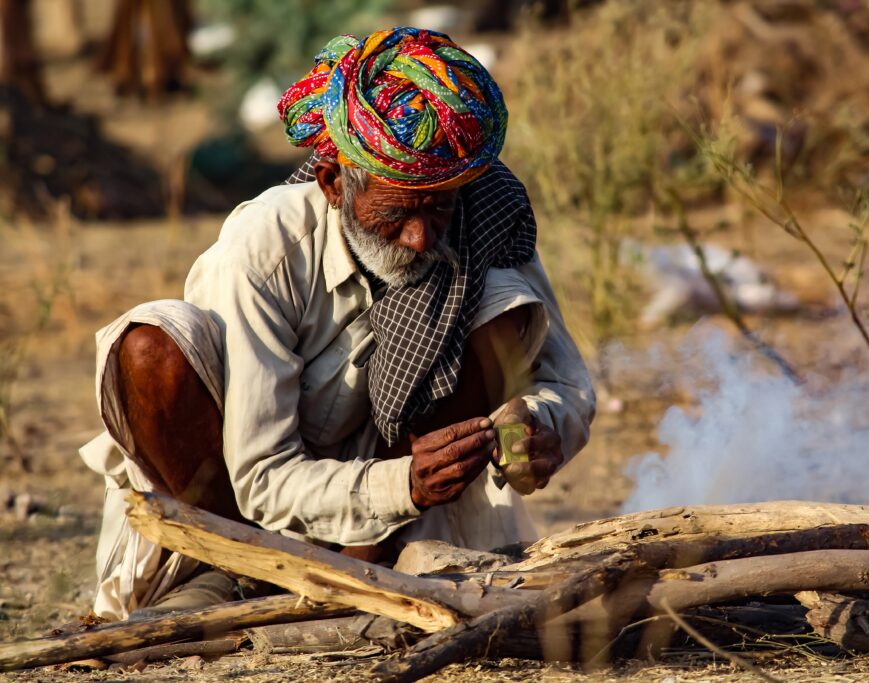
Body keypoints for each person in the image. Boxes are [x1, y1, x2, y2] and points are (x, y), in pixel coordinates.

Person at [78, 27, 594, 621]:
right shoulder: (267, 245)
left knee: (503, 303)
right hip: (238, 512)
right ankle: (242, 575)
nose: (421, 237)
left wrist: (538, 425)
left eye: (438, 206)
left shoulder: (478, 215)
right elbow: (263, 477)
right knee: (150, 350)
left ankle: (360, 566)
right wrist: (403, 485)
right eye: (397, 211)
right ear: (332, 184)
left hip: (388, 521)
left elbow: (569, 385)